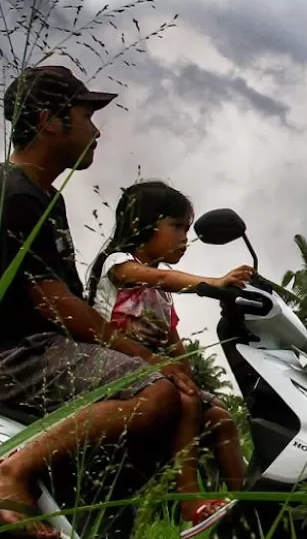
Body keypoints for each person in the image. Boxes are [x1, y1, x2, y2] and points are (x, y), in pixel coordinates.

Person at [0, 65, 200, 538]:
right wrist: (145, 356)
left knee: (191, 408)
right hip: (19, 356)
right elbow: (57, 305)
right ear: (50, 121)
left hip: (50, 350)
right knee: (157, 391)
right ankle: (8, 473)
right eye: (86, 117)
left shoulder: (44, 196)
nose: (96, 131)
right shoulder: (14, 195)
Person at [84, 179, 252, 520]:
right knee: (185, 400)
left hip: (154, 372)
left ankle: (251, 510)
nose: (184, 239)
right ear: (143, 224)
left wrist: (188, 373)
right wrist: (212, 283)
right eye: (177, 227)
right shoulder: (119, 263)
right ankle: (190, 500)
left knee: (220, 418)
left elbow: (172, 338)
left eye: (187, 230)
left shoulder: (162, 293)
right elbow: (159, 278)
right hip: (113, 366)